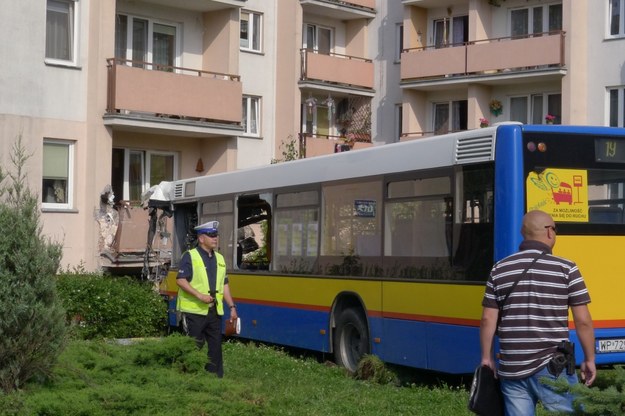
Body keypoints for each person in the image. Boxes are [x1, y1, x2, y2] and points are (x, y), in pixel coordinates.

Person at [480, 210, 596, 415]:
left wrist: (487, 357)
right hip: (553, 366)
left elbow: (488, 318)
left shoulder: (499, 269)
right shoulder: (566, 268)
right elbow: (583, 321)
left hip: (512, 366)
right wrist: (589, 359)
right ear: (549, 232)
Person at [176, 220, 238, 378]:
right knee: (193, 347)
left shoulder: (220, 258)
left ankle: (214, 380)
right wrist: (199, 295)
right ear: (201, 238)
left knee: (216, 348)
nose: (215, 238)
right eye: (211, 235)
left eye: (216, 235)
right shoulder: (190, 256)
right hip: (194, 311)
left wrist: (232, 307)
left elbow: (224, 284)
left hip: (214, 311)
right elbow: (181, 280)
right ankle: (188, 378)